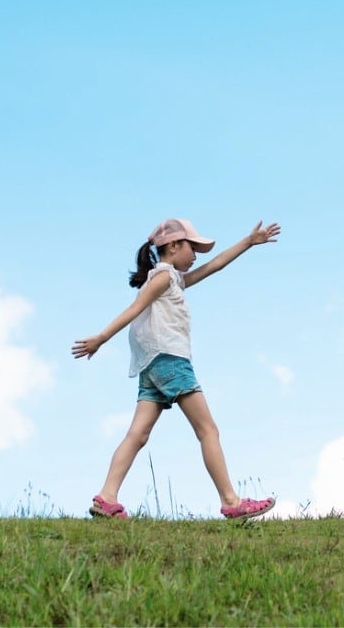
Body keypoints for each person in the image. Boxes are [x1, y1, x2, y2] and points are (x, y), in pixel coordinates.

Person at [72, 217, 280, 520]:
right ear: (173, 246)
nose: (196, 255)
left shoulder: (173, 279)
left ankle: (106, 497)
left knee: (138, 434)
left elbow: (216, 265)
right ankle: (231, 501)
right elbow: (134, 310)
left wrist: (248, 242)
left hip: (151, 365)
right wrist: (101, 338)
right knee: (207, 429)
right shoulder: (163, 278)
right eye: (192, 248)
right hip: (170, 360)